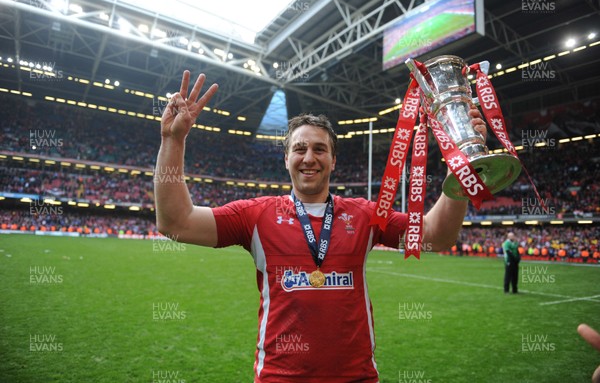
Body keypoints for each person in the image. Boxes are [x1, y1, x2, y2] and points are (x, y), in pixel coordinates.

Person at [154, 71, 488, 382]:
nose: (309, 158)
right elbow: (176, 222)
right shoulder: (255, 215)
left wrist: (458, 163)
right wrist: (174, 139)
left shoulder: (365, 214)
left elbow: (437, 236)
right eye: (299, 149)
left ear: (333, 160)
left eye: (320, 149)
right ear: (286, 159)